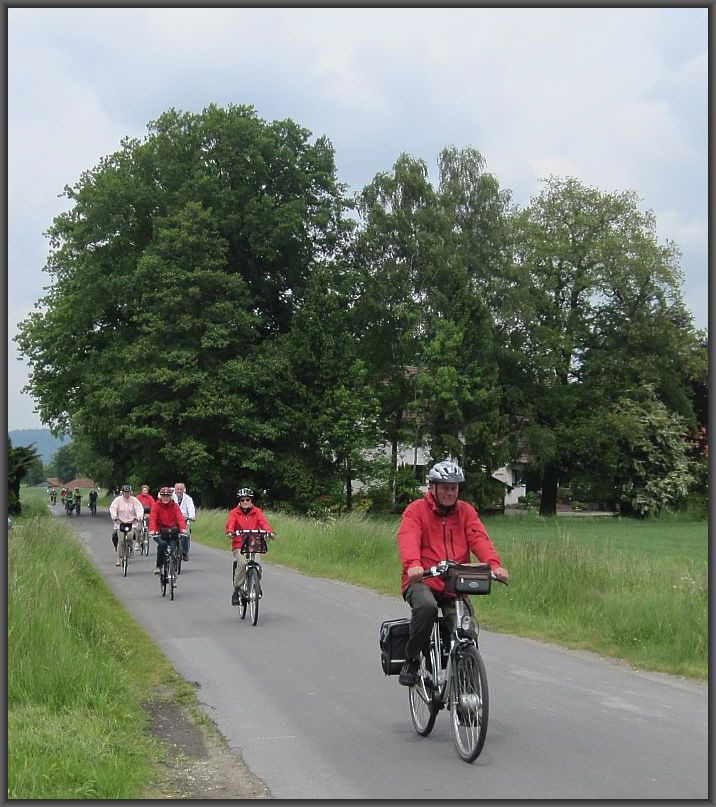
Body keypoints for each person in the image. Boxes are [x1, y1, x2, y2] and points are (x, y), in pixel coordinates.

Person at [396, 460, 509, 686]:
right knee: (426, 607)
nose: (450, 492)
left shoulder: (465, 511)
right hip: (423, 579)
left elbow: (478, 538)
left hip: (454, 582)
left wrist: (494, 565)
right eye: (445, 487)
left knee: (466, 630)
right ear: (433, 488)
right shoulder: (416, 510)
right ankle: (412, 659)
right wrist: (413, 565)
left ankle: (467, 688)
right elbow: (408, 537)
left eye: (454, 487)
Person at [225, 488, 274, 606]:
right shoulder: (234, 513)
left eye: (248, 499)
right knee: (242, 563)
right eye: (243, 500)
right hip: (239, 544)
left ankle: (256, 585)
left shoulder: (257, 512)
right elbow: (230, 524)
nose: (245, 502)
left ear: (251, 500)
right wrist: (230, 531)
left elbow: (264, 523)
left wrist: (269, 532)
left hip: (254, 543)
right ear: (239, 501)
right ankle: (237, 589)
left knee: (257, 563)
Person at [149, 486, 188, 580]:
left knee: (173, 548)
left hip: (172, 531)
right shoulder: (156, 506)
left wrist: (183, 528)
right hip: (160, 531)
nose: (165, 498)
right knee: (162, 545)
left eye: (168, 496)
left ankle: (173, 569)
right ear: (160, 496)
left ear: (171, 496)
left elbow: (180, 518)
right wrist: (152, 530)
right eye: (164, 496)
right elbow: (153, 518)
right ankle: (158, 566)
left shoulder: (175, 506)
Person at [109, 485, 144, 566]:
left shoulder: (134, 500)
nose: (127, 494)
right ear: (122, 492)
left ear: (130, 492)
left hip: (131, 522)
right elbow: (113, 508)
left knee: (130, 536)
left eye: (128, 492)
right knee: (120, 540)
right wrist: (114, 517)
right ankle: (118, 559)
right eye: (125, 492)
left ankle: (130, 547)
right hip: (120, 523)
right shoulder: (117, 500)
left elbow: (139, 508)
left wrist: (139, 517)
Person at [172, 482, 196, 561]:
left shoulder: (188, 499)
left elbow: (191, 509)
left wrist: (191, 517)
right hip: (172, 520)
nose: (179, 491)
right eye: (177, 489)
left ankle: (185, 553)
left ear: (184, 490)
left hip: (184, 520)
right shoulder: (171, 497)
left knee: (186, 535)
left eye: (181, 489)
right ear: (174, 490)